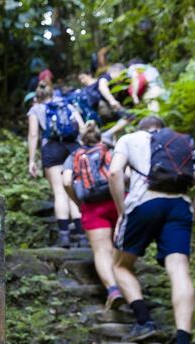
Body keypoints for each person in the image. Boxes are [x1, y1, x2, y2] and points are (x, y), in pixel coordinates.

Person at [108, 116, 195, 344]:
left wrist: (123, 210)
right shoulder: (184, 143)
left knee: (121, 266)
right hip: (179, 206)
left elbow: (113, 173)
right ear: (163, 129)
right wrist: (191, 218)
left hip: (144, 203)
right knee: (179, 269)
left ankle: (144, 322)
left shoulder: (129, 138)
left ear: (142, 128)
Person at [62, 121, 125, 308]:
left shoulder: (74, 155)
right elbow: (123, 173)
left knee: (101, 250)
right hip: (116, 201)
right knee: (119, 246)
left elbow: (66, 182)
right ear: (100, 136)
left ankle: (113, 290)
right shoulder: (109, 149)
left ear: (81, 139)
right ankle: (127, 283)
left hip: (92, 206)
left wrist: (78, 203)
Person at [27, 81, 86, 248]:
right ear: (53, 93)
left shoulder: (35, 109)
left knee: (60, 192)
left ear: (36, 95)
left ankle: (64, 236)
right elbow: (82, 128)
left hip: (51, 148)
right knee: (73, 190)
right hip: (73, 148)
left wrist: (32, 160)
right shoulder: (67, 104)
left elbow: (33, 135)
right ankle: (82, 236)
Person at [77, 64, 133, 145]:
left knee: (115, 127)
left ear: (89, 75)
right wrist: (112, 101)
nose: (82, 81)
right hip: (103, 107)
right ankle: (108, 135)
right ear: (116, 71)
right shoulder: (105, 77)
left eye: (83, 77)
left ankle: (111, 140)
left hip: (100, 111)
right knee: (131, 116)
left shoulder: (93, 84)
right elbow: (102, 87)